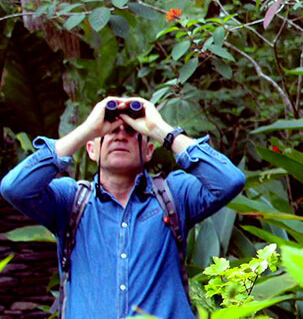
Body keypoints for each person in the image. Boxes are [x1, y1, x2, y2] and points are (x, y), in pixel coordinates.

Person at [1, 97, 246, 318]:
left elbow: (229, 180)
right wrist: (88, 129)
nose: (119, 135)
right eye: (109, 131)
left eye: (130, 130)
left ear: (149, 151)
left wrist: (159, 130)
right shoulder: (71, 201)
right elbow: (15, 188)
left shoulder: (174, 196)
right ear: (91, 149)